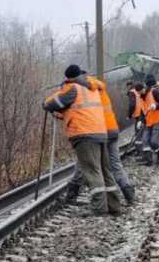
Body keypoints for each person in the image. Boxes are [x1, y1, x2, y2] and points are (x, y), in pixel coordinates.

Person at [43, 64, 121, 216]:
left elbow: (55, 103)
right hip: (100, 132)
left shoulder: (73, 88)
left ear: (69, 78)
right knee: (105, 170)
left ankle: (99, 208)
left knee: (92, 170)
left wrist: (45, 103)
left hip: (84, 134)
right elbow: (76, 109)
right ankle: (114, 205)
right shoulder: (92, 88)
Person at [89, 76, 135, 205]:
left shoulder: (88, 92)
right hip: (113, 130)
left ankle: (73, 191)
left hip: (100, 132)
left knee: (89, 163)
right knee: (115, 163)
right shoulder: (102, 90)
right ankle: (128, 193)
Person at [127, 82, 146, 160]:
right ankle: (140, 152)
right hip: (143, 115)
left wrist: (129, 115)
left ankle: (140, 153)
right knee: (141, 133)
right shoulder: (138, 92)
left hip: (139, 116)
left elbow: (132, 105)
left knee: (138, 134)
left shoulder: (132, 92)